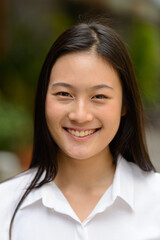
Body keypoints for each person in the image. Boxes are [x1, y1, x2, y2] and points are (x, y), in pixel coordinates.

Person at [0, 18, 160, 240]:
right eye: (64, 94)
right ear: (43, 99)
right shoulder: (6, 207)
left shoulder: (156, 202)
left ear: (125, 105)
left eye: (99, 97)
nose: (80, 115)